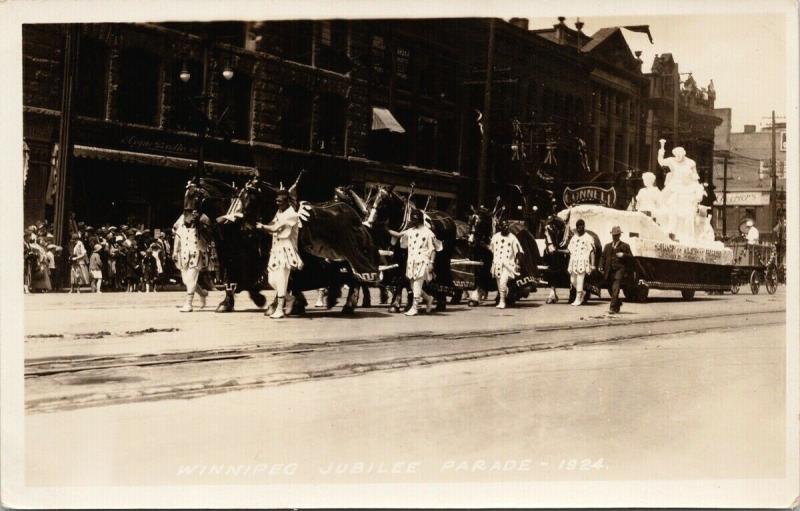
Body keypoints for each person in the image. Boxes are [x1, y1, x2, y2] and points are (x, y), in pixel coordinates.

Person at [256, 189, 304, 319]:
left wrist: (262, 227)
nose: (278, 203)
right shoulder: (280, 212)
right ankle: (290, 299)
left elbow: (275, 228)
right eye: (276, 201)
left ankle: (279, 309)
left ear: (287, 201)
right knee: (272, 280)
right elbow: (272, 224)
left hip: (286, 250)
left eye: (280, 201)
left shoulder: (291, 215)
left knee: (282, 279)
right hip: (276, 249)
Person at [398, 209, 441, 316]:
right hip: (411, 262)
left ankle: (415, 308)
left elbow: (433, 249)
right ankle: (429, 298)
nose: (413, 222)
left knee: (417, 284)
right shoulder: (410, 231)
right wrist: (385, 229)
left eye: (414, 220)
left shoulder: (428, 233)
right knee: (413, 286)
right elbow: (400, 237)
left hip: (423, 261)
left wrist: (431, 262)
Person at [173, 208, 212, 312]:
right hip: (183, 255)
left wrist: (200, 220)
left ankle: (188, 304)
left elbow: (207, 234)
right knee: (186, 281)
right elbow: (178, 237)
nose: (190, 218)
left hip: (195, 254)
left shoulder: (201, 222)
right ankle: (202, 293)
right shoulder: (181, 225)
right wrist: (174, 251)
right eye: (188, 216)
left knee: (191, 279)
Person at [489, 219, 524, 309]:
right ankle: (504, 293)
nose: (506, 227)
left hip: (507, 265)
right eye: (503, 226)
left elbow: (519, 251)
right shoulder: (495, 237)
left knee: (502, 283)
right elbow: (491, 250)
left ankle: (502, 301)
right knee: (499, 284)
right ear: (500, 227)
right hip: (497, 264)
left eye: (507, 226)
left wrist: (517, 263)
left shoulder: (512, 238)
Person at [600, 226, 632, 314]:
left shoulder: (625, 246)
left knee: (615, 287)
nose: (614, 237)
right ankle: (617, 302)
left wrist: (623, 255)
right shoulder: (607, 246)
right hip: (609, 271)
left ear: (619, 235)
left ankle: (612, 307)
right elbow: (603, 257)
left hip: (619, 270)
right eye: (613, 235)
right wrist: (600, 266)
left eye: (616, 235)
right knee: (610, 288)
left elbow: (631, 258)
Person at [566, 219, 595, 306]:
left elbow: (592, 252)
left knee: (580, 279)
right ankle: (581, 293)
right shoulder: (574, 238)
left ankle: (578, 298)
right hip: (574, 261)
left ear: (584, 227)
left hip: (583, 261)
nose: (580, 228)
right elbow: (569, 250)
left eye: (582, 226)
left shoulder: (589, 238)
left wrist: (593, 265)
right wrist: (558, 251)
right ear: (577, 227)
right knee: (573, 280)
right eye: (578, 226)